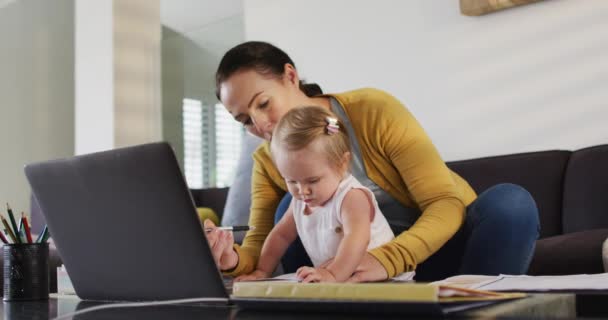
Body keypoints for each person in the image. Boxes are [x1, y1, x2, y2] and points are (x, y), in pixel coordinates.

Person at [205, 41, 539, 282]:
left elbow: (445, 201)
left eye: (263, 103)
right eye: (244, 120)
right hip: (356, 272)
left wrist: (386, 260)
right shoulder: (267, 160)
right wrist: (232, 259)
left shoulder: (372, 110)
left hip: (439, 247)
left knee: (511, 204)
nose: (260, 124)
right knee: (289, 209)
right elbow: (262, 244)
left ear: (290, 76)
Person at [235, 106, 407, 282]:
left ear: (342, 164)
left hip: (388, 282)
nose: (302, 191)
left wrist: (333, 273)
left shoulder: (352, 197)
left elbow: (356, 239)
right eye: (292, 181)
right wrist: (262, 272)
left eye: (313, 180)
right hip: (343, 281)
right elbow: (280, 236)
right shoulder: (299, 201)